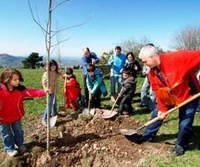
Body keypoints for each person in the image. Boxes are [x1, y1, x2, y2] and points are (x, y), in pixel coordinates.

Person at [130, 44, 200, 156]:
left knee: (185, 123)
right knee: (156, 115)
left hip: (189, 96)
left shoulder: (178, 58)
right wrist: (162, 110)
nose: (144, 64)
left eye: (144, 61)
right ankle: (147, 136)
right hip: (169, 96)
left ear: (152, 57)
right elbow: (158, 92)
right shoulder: (152, 74)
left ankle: (180, 145)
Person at [0, 68, 47, 157]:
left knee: (18, 131)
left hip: (16, 116)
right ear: (6, 79)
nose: (18, 81)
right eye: (15, 80)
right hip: (3, 118)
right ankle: (10, 148)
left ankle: (19, 144)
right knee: (6, 134)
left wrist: (44, 92)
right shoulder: (0, 90)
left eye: (18, 79)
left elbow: (32, 92)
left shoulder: (20, 90)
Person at [42, 60, 60, 125]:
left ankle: (54, 114)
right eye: (52, 66)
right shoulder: (46, 73)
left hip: (54, 90)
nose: (54, 67)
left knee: (54, 103)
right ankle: (44, 119)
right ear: (49, 67)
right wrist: (46, 89)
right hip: (49, 91)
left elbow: (57, 76)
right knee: (49, 105)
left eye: (55, 66)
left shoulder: (55, 72)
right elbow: (44, 82)